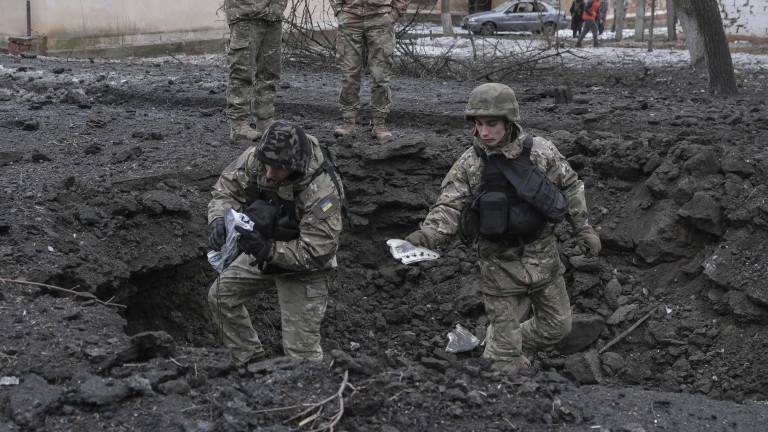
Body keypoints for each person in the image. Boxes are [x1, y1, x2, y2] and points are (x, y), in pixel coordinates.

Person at [403, 83, 601, 373]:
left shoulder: (541, 152)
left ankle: (498, 346)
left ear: (509, 122)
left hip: (543, 259)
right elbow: (448, 206)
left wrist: (583, 229)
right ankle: (502, 372)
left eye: (492, 124)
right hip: (498, 267)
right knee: (506, 363)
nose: (484, 132)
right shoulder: (470, 163)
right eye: (479, 124)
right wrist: (427, 236)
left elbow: (570, 186)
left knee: (558, 327)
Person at [206, 120, 345, 364]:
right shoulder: (260, 158)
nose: (269, 174)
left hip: (305, 267)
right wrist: (218, 217)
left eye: (278, 169)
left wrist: (268, 249)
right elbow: (227, 190)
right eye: (266, 166)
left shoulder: (322, 192)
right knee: (221, 297)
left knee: (301, 356)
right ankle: (251, 361)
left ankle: (311, 392)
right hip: (264, 246)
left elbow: (317, 252)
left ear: (297, 166)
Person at [330, 0, 410, 140]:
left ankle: (379, 124)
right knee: (349, 74)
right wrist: (338, 9)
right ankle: (348, 123)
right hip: (350, 17)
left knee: (380, 76)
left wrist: (395, 12)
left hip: (380, 17)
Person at [223, 0, 287, 143]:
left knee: (270, 71)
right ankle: (238, 124)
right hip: (246, 13)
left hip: (274, 14)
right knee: (242, 71)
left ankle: (264, 120)